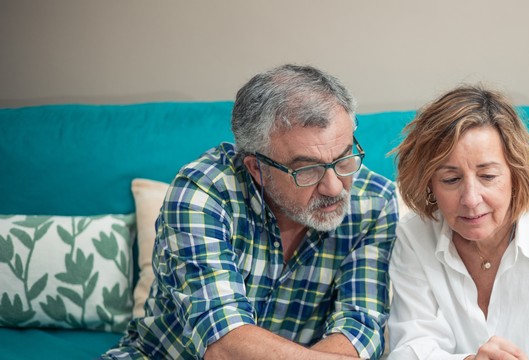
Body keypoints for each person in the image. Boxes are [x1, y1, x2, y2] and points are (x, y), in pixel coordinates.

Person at [103, 64, 398, 360]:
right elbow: (224, 345)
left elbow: (360, 327)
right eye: (308, 170)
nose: (334, 188)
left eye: (345, 157)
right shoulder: (202, 193)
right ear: (257, 168)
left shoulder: (375, 202)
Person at [386, 85, 529, 360]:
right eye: (451, 180)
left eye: (488, 176)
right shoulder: (414, 236)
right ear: (429, 184)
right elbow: (408, 349)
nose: (471, 199)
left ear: (516, 173)